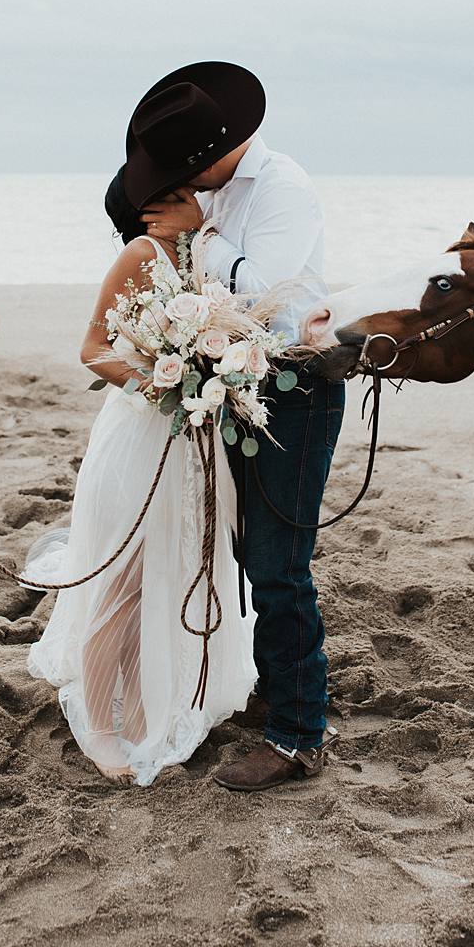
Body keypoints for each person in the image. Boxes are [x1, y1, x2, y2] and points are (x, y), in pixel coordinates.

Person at [135, 61, 346, 792]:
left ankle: (298, 737)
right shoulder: (217, 193)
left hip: (298, 389)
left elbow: (274, 299)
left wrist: (202, 237)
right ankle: (272, 688)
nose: (183, 187)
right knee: (237, 543)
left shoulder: (280, 187)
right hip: (238, 385)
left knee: (278, 564)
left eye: (185, 170)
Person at [22, 177, 255, 786]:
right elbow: (93, 349)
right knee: (128, 584)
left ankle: (150, 709)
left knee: (166, 576)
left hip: (189, 443)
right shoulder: (142, 255)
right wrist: (162, 384)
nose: (202, 193)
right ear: (154, 210)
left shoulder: (200, 255)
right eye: (184, 189)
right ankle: (100, 724)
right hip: (140, 438)